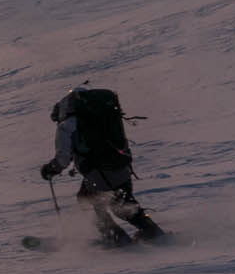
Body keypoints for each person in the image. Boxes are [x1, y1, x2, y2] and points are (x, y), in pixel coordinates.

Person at [39, 86, 165, 245]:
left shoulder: (67, 123)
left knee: (87, 201)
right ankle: (151, 231)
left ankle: (116, 237)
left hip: (99, 172)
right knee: (122, 204)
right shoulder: (103, 113)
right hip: (122, 166)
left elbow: (63, 158)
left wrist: (50, 169)